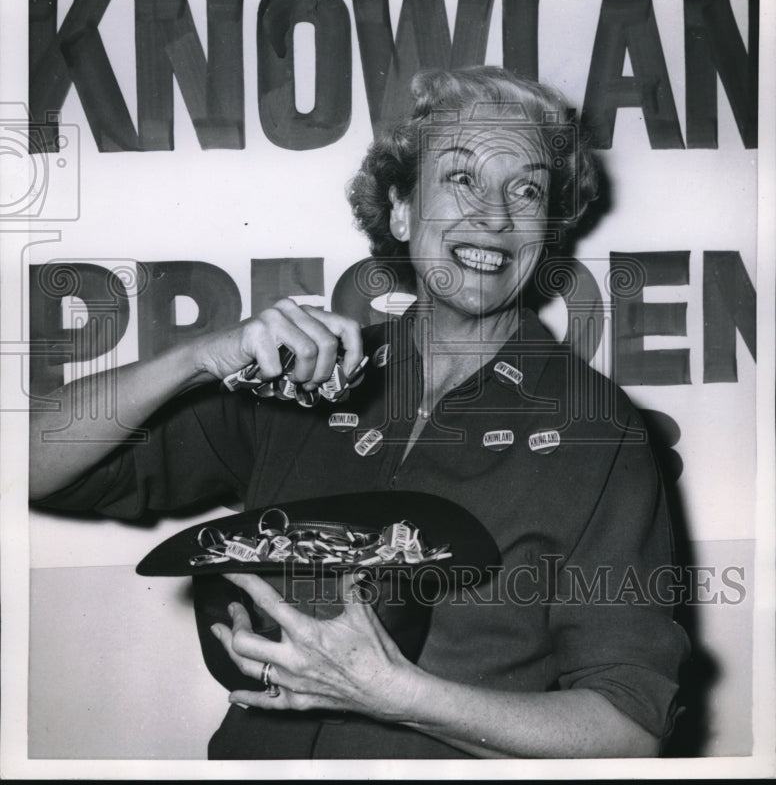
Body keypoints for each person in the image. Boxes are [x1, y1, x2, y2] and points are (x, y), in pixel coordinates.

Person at [30, 66, 689, 760]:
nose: (495, 215)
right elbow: (28, 463)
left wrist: (397, 696)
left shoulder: (598, 430)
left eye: (525, 189)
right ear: (402, 209)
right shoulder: (305, 378)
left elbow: (628, 727)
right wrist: (195, 358)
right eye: (462, 178)